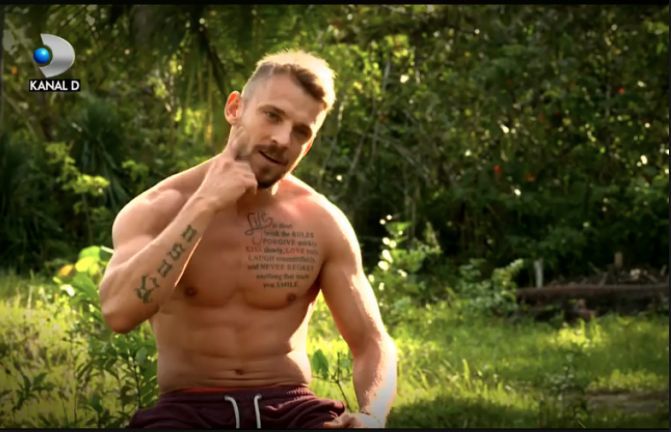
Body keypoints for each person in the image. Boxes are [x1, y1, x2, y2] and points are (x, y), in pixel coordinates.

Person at [99, 49, 397, 429]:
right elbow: (119, 313)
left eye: (301, 132)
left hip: (291, 409)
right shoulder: (158, 208)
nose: (282, 139)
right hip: (188, 412)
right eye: (272, 115)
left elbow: (372, 342)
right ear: (235, 108)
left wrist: (373, 415)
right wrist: (204, 204)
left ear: (307, 146)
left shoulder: (320, 221)